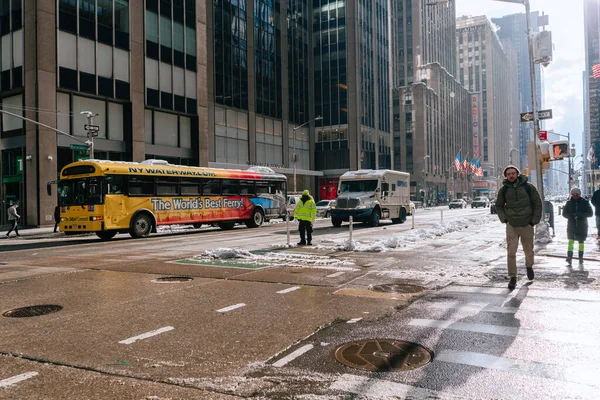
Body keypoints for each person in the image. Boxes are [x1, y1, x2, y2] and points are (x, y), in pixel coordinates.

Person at [495, 165, 542, 290]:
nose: (511, 175)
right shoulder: (503, 190)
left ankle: (529, 266)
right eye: (508, 174)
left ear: (517, 174)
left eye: (513, 173)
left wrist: (533, 221)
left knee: (528, 251)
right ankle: (512, 277)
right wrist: (504, 219)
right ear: (506, 176)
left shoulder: (528, 187)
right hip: (511, 225)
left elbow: (537, 203)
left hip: (527, 224)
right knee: (511, 252)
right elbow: (498, 206)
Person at [562, 187, 593, 264]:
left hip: (582, 226)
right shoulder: (568, 203)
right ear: (571, 195)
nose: (575, 196)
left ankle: (580, 257)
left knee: (581, 241)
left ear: (579, 194)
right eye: (573, 194)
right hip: (571, 225)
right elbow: (564, 214)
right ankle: (569, 257)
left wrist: (580, 215)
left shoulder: (585, 202)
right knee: (571, 241)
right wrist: (572, 215)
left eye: (577, 194)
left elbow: (590, 213)